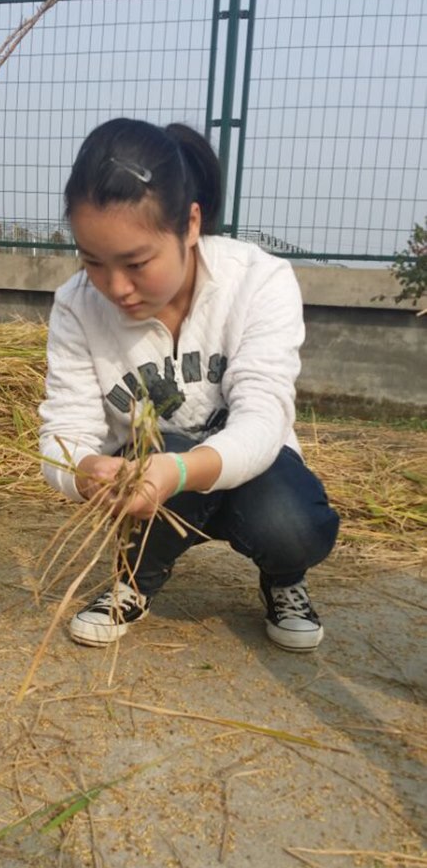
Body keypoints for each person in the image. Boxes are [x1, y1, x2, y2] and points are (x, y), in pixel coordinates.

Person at [39, 118, 339, 652]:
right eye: (92, 263)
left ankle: (284, 575)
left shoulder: (257, 280)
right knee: (157, 449)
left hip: (253, 474)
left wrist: (180, 470)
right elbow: (64, 432)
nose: (116, 288)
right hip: (153, 482)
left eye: (136, 263)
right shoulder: (76, 306)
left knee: (292, 526)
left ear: (191, 224)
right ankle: (133, 581)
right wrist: (88, 472)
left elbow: (264, 418)